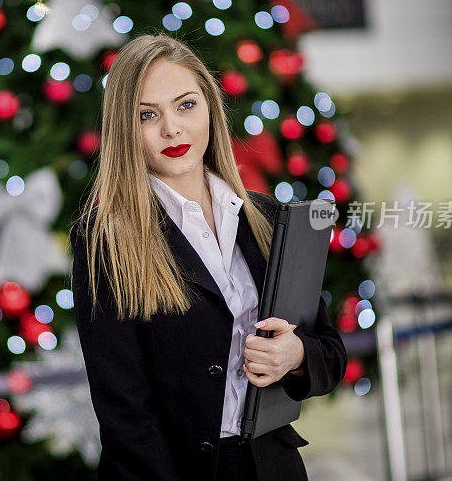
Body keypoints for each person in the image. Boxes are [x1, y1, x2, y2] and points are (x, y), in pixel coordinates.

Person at [69, 32, 347, 481]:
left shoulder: (268, 219)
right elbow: (125, 415)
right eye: (147, 115)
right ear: (125, 128)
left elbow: (330, 354)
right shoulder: (105, 242)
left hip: (272, 467)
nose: (172, 129)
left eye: (185, 105)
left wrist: (294, 355)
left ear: (210, 108)